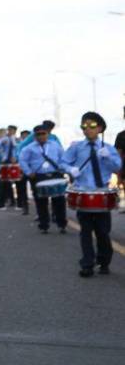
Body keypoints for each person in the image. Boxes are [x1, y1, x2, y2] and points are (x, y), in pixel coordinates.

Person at [62, 112, 122, 277]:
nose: (87, 129)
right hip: (83, 192)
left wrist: (108, 157)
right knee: (85, 231)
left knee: (103, 232)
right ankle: (87, 264)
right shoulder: (76, 147)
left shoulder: (107, 148)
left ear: (100, 128)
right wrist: (69, 169)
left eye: (92, 126)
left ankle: (104, 261)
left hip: (101, 193)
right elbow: (63, 162)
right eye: (84, 126)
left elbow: (117, 167)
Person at [19, 125, 67, 234]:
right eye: (38, 134)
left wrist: (62, 169)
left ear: (47, 134)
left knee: (59, 201)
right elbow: (22, 160)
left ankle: (62, 224)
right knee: (41, 202)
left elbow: (63, 158)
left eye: (43, 133)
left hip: (55, 174)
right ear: (35, 136)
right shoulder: (29, 148)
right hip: (38, 176)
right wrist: (28, 172)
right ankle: (44, 225)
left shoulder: (55, 146)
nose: (41, 136)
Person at [0, 125, 20, 210]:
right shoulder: (4, 139)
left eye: (12, 130)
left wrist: (16, 158)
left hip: (14, 163)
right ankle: (1, 204)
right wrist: (2, 155)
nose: (10, 131)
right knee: (4, 183)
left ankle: (16, 203)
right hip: (5, 162)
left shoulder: (17, 140)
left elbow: (19, 149)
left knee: (16, 184)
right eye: (9, 130)